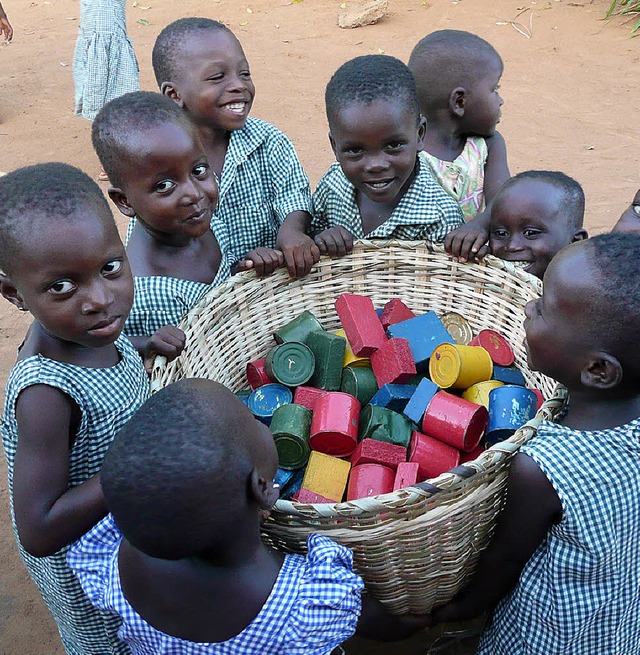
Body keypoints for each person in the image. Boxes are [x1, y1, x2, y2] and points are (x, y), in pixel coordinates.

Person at [68, 378, 431, 654]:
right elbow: (377, 623)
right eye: (252, 421)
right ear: (263, 488)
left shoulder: (116, 557)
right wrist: (421, 621)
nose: (261, 420)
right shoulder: (306, 600)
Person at [0, 163, 184, 654]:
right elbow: (39, 527)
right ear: (14, 294)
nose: (100, 300)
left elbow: (108, 346)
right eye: (61, 287)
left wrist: (142, 343)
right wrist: (132, 468)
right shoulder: (45, 396)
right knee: (112, 639)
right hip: (82, 557)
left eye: (109, 268)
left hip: (124, 518)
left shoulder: (92, 330)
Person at [431, 233, 640, 654]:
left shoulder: (542, 466)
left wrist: (454, 611)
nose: (527, 307)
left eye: (543, 309)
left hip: (550, 635)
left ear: (598, 370)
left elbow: (503, 563)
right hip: (618, 618)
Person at [91, 91, 267, 346]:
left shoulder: (203, 223)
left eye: (198, 170)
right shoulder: (147, 298)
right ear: (125, 201)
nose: (194, 194)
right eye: (164, 186)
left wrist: (241, 271)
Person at [152, 17, 318, 278]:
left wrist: (291, 232)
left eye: (244, 74)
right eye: (218, 77)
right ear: (174, 95)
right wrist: (236, 268)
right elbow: (163, 242)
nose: (239, 85)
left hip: (278, 284)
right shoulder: (162, 166)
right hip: (211, 298)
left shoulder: (267, 140)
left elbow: (292, 194)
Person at [311, 54, 464, 256]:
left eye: (393, 145)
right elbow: (312, 231)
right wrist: (320, 239)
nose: (376, 165)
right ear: (334, 147)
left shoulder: (441, 218)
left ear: (419, 135)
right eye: (355, 150)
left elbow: (443, 281)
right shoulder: (332, 185)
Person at [408, 30, 510, 262]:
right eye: (495, 89)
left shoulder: (488, 146)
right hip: (415, 269)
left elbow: (504, 199)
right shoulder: (406, 152)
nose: (501, 100)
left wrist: (480, 226)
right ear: (459, 102)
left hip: (469, 267)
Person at [72, 0, 139, 180]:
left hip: (105, 31)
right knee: (112, 101)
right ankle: (112, 159)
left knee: (111, 100)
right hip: (102, 31)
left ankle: (112, 157)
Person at [488, 170, 588, 279]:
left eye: (530, 233)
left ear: (575, 242)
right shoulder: (484, 288)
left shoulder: (585, 292)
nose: (512, 246)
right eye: (501, 233)